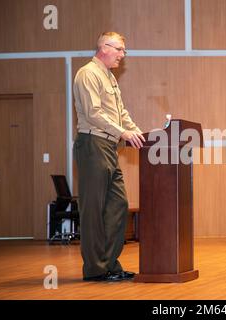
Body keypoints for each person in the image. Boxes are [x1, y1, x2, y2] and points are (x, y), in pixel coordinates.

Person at [73, 31, 145, 282]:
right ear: (105, 47)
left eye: (123, 51)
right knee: (93, 209)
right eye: (120, 50)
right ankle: (95, 269)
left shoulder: (110, 78)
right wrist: (122, 132)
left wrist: (135, 131)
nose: (122, 56)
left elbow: (120, 113)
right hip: (93, 144)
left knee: (118, 205)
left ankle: (110, 263)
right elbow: (93, 114)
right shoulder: (88, 74)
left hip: (109, 146)